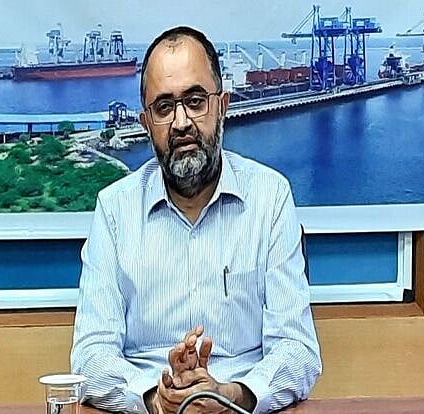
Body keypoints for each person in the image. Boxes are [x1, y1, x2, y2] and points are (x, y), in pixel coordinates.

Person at [70, 26, 321, 414]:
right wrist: (155, 399)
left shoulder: (270, 197)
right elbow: (90, 355)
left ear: (223, 106)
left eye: (195, 101)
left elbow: (297, 349)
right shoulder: (115, 209)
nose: (182, 122)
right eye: (164, 108)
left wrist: (230, 395)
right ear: (145, 122)